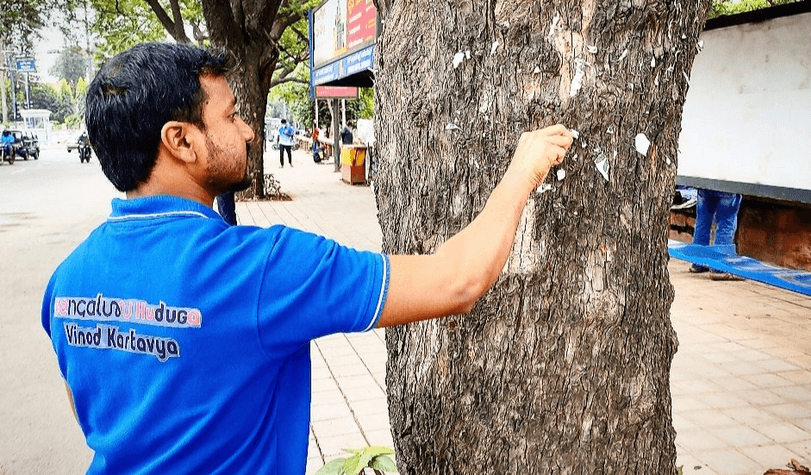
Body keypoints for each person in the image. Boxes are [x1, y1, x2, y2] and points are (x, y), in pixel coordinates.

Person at [41, 42, 572, 474]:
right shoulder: (261, 269)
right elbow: (458, 280)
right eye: (230, 116)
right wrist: (523, 169)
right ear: (181, 141)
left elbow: (92, 412)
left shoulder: (65, 284)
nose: (248, 130)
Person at [689, 188, 744, 280]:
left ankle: (698, 263)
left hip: (705, 182)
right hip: (727, 184)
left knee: (703, 222)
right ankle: (719, 268)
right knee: (725, 223)